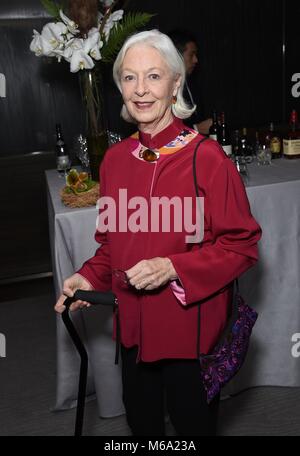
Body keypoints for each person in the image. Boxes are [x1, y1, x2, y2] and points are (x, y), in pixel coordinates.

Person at [55, 30, 261, 436]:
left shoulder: (207, 158)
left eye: (153, 76)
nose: (141, 90)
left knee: (192, 429)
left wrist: (172, 267)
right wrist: (88, 276)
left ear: (176, 84)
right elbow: (112, 244)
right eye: (129, 78)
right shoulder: (114, 162)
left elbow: (242, 245)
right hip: (133, 329)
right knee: (143, 427)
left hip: (191, 332)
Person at [168, 29, 213, 135]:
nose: (196, 60)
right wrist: (196, 128)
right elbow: (163, 131)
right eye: (191, 55)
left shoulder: (192, 84)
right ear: (176, 56)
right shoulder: (165, 88)